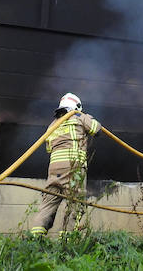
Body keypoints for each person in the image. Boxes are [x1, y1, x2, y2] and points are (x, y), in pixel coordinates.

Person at [29, 93, 100, 237]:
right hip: (73, 167)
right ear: (77, 107)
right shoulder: (79, 117)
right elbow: (96, 129)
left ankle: (34, 239)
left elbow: (49, 148)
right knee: (75, 203)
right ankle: (67, 241)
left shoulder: (52, 125)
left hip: (54, 169)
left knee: (48, 204)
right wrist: (88, 117)